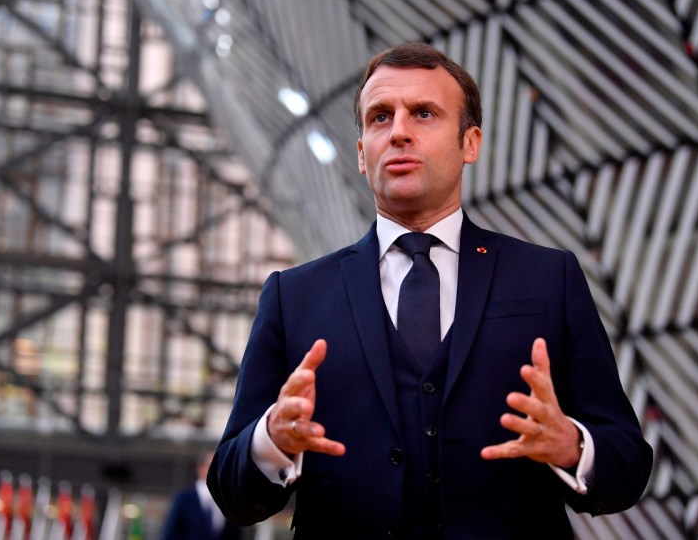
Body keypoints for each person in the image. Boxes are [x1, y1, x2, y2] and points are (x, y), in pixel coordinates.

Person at [209, 42, 652, 538]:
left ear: (471, 143)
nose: (398, 131)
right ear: (361, 154)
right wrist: (270, 439)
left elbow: (629, 465)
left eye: (423, 113)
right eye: (380, 118)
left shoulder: (549, 279)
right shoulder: (295, 297)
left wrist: (571, 445)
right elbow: (231, 492)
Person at [162, 451, 241, 540]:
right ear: (201, 468)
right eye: (215, 465)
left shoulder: (230, 503)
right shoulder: (182, 500)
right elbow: (169, 535)